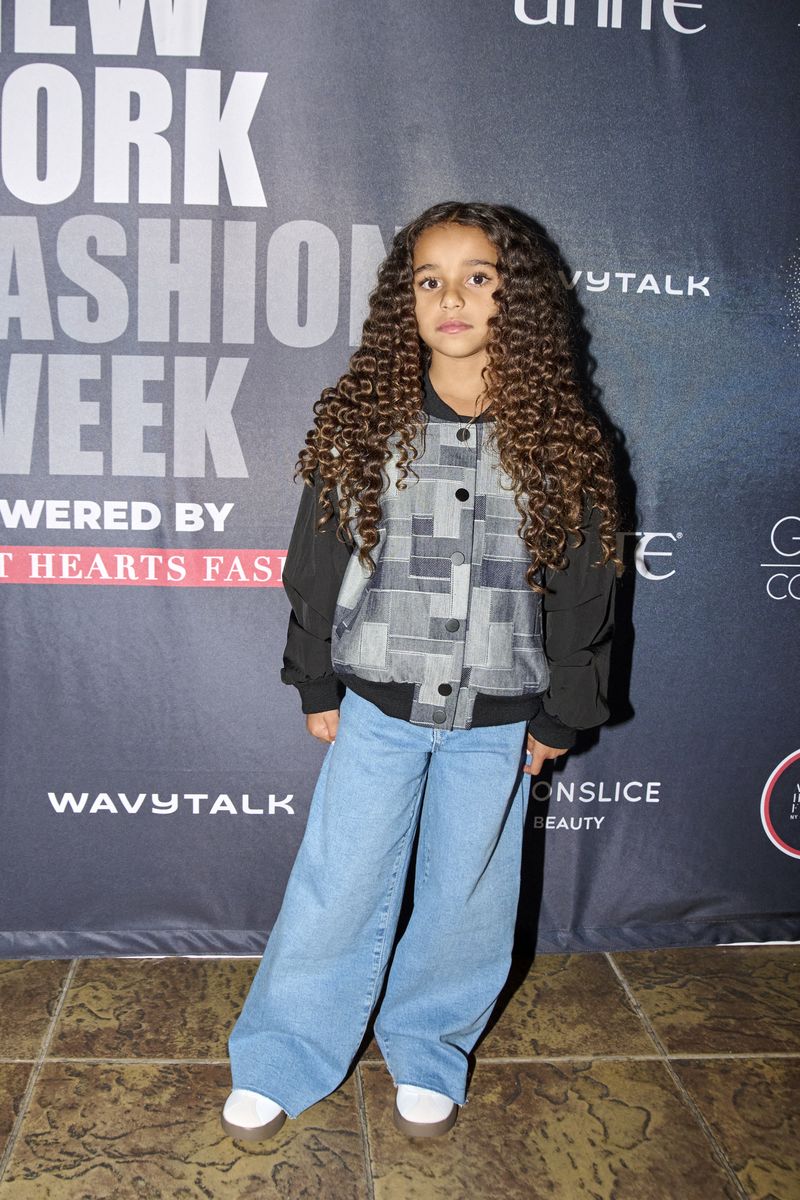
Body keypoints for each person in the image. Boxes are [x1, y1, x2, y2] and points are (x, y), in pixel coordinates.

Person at [222, 201, 623, 1142]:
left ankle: (431, 1047)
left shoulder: (564, 437)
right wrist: (313, 680)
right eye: (428, 279)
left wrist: (563, 711)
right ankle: (283, 1054)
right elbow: (316, 558)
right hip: (379, 704)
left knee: (469, 894)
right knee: (338, 882)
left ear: (514, 298)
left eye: (477, 276)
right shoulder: (365, 418)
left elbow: (586, 587)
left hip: (499, 712)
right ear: (403, 300)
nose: (451, 296)